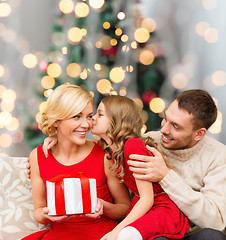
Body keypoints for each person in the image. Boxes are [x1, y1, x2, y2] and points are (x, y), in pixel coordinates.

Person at [22, 84, 130, 240]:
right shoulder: (38, 157)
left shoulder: (104, 153)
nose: (86, 124)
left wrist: (101, 206)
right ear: (56, 120)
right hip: (59, 236)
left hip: (102, 235)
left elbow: (124, 207)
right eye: (77, 116)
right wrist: (49, 215)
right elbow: (38, 212)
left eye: (89, 116)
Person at [127, 89, 226, 240]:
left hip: (192, 234)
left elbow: (215, 222)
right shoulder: (147, 142)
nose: (164, 130)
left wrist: (166, 176)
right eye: (165, 119)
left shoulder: (218, 156)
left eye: (176, 126)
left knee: (212, 236)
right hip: (153, 230)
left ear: (199, 134)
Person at [92, 95, 190, 240]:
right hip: (145, 208)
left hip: (162, 210)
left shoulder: (133, 146)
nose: (93, 118)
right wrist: (55, 138)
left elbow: (147, 198)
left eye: (100, 114)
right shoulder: (111, 151)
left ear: (116, 120)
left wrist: (116, 231)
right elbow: (77, 144)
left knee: (124, 235)